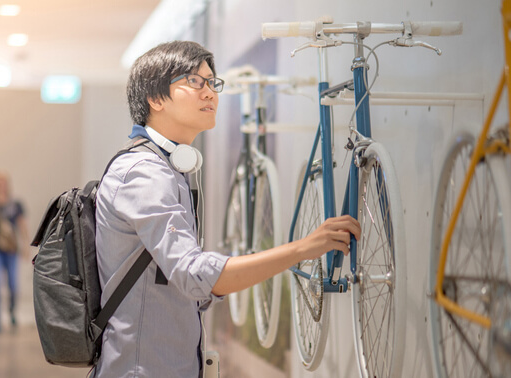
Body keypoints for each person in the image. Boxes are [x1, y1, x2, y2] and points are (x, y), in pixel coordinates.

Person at [94, 41, 361, 377]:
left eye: (212, 82)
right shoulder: (144, 173)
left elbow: (182, 287)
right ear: (155, 98)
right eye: (194, 82)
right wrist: (303, 249)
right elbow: (194, 276)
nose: (210, 93)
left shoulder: (169, 169)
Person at [0, 171, 30, 333]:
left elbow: (22, 226)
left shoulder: (16, 206)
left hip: (11, 251)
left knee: (13, 285)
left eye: (3, 182)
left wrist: (25, 245)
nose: (0, 185)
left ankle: (12, 311)